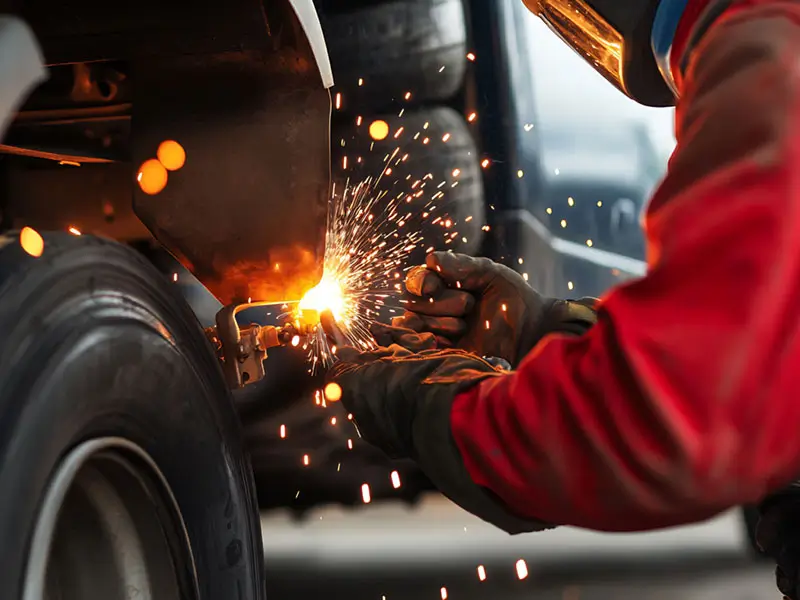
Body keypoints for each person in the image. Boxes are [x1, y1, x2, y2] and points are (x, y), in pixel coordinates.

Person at [324, 0, 800, 597]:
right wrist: (539, 328)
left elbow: (658, 422)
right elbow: (749, 343)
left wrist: (422, 404)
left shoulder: (768, 50)